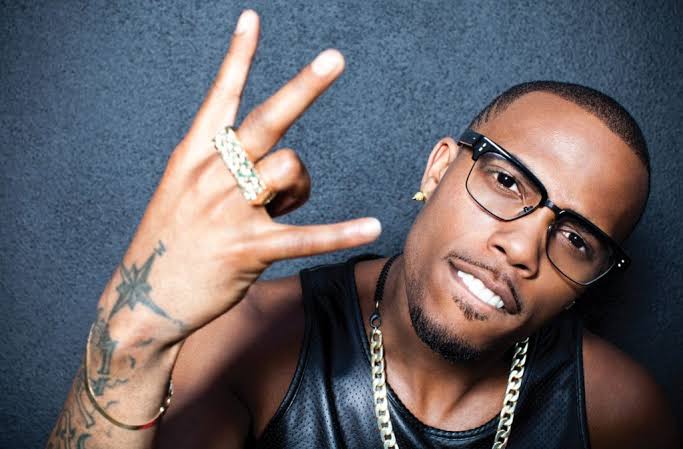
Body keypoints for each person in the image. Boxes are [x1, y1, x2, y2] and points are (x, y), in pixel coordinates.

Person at [45, 9, 679, 449]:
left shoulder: (620, 414)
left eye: (576, 240)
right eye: (507, 181)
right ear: (438, 169)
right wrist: (132, 333)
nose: (521, 248)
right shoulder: (249, 344)